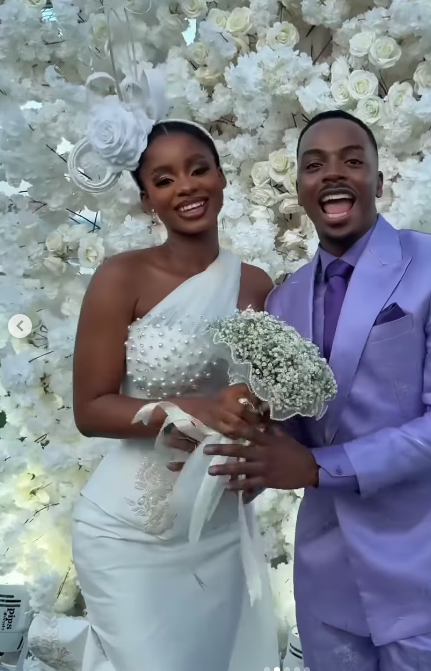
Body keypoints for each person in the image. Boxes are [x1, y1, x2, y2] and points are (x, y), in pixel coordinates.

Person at [205, 110, 431, 671]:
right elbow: (300, 431)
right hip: (329, 573)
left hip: (428, 563)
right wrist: (248, 435)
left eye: (352, 160)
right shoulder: (284, 301)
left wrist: (316, 468)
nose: (333, 173)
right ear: (300, 187)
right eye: (314, 165)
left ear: (378, 179)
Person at [67, 120, 279, 671]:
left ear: (221, 177)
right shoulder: (121, 277)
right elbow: (90, 409)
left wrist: (259, 433)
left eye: (198, 169)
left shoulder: (258, 286)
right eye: (163, 180)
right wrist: (193, 411)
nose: (186, 186)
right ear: (147, 200)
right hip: (125, 534)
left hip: (218, 528)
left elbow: (265, 404)